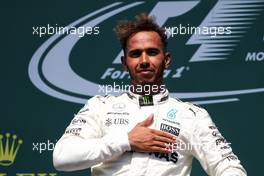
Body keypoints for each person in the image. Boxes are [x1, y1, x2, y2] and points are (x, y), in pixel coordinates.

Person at [53, 14, 247, 176]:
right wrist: (126, 141)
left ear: (166, 59)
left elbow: (229, 167)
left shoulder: (191, 115)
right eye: (136, 54)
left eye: (152, 52)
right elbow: (62, 158)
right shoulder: (100, 107)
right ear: (124, 62)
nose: (144, 60)